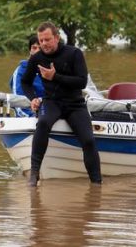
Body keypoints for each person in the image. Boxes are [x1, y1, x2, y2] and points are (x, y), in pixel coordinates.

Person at [21, 22, 102, 187]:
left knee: (88, 140)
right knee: (42, 123)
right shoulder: (37, 58)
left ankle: (96, 183)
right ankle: (34, 174)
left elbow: (81, 82)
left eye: (47, 40)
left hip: (75, 104)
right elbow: (25, 82)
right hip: (52, 102)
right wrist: (33, 98)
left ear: (57, 38)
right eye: (41, 40)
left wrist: (55, 77)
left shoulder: (74, 53)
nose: (44, 44)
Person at [9, 34, 44, 117]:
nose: (37, 51)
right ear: (30, 50)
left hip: (48, 113)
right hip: (27, 117)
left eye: (40, 48)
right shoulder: (20, 71)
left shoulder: (51, 70)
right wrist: (31, 116)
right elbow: (18, 103)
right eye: (34, 48)